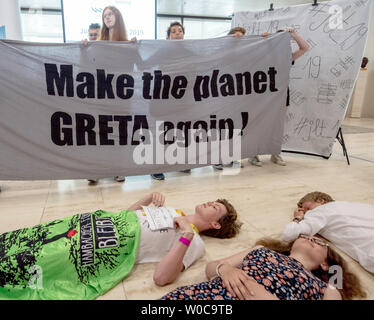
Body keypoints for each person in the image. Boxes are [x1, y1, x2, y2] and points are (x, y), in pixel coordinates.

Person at [0, 192, 241, 299]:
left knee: (42, 258)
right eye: (213, 201)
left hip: (103, 244)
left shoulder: (195, 243)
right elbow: (126, 217)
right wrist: (146, 200)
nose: (210, 202)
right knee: (37, 237)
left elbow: (161, 277)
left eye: (216, 208)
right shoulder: (172, 210)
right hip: (100, 223)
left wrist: (186, 235)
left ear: (216, 225)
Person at [161, 235, 366, 300]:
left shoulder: (327, 289)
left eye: (319, 242)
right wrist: (225, 270)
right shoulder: (263, 251)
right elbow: (210, 267)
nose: (309, 238)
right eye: (305, 236)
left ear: (325, 263)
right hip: (206, 297)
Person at [249, 29, 310, 167]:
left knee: (277, 126)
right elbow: (249, 51)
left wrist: (294, 35)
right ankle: (253, 154)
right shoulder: (262, 54)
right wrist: (263, 39)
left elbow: (305, 48)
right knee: (258, 124)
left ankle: (275, 153)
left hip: (281, 94)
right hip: (261, 94)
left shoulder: (286, 56)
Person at [86, 6, 130, 184]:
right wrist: (85, 48)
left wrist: (135, 47)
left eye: (110, 14)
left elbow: (139, 66)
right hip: (102, 95)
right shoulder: (98, 42)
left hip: (121, 96)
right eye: (105, 16)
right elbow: (89, 64)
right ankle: (97, 170)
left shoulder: (127, 43)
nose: (107, 18)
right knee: (99, 133)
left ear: (117, 16)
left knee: (118, 134)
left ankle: (118, 169)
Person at [282, 191, 374, 273]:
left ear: (321, 201)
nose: (305, 214)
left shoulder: (321, 210)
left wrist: (297, 218)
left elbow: (290, 234)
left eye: (308, 208)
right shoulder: (359, 206)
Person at [213, 27, 246, 171]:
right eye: (235, 37)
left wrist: (264, 39)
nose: (239, 39)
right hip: (220, 96)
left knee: (234, 128)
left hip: (238, 97)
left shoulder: (246, 54)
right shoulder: (222, 51)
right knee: (220, 129)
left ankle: (231, 157)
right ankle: (216, 159)